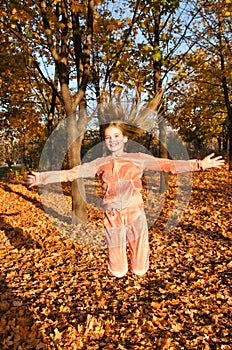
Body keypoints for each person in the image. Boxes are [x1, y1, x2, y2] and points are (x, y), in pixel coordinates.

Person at [26, 121, 225, 278]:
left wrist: (200, 164)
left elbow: (169, 165)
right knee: (118, 270)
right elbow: (72, 173)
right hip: (113, 218)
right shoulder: (100, 163)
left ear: (124, 139)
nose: (112, 140)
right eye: (107, 137)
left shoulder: (138, 157)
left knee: (139, 269)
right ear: (104, 141)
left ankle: (140, 259)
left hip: (135, 215)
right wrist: (40, 178)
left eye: (116, 136)